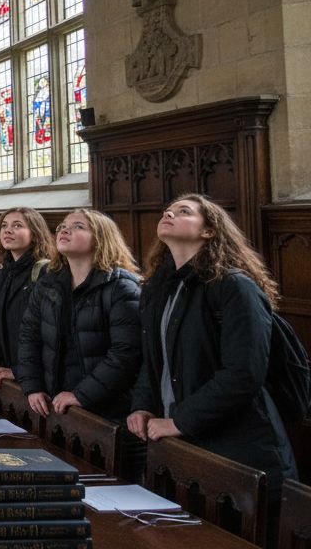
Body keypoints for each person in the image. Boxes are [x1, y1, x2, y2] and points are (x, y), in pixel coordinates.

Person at [128, 195, 297, 495]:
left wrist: (180, 420)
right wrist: (142, 405)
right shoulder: (158, 287)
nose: (168, 213)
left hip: (237, 446)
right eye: (167, 209)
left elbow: (243, 374)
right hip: (179, 439)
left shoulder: (234, 286)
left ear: (209, 231)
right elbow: (153, 360)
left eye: (183, 212)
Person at [18, 210, 141, 420]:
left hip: (104, 409)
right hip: (53, 402)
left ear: (101, 239)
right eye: (63, 226)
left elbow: (125, 354)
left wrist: (81, 394)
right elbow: (29, 337)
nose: (65, 229)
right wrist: (33, 386)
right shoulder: (48, 283)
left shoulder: (121, 287)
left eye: (78, 227)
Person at [0, 207, 54, 390]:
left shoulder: (45, 272)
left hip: (36, 375)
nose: (8, 230)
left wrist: (20, 370)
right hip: (5, 370)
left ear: (35, 234)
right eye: (4, 226)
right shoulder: (1, 274)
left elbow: (48, 332)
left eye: (17, 225)